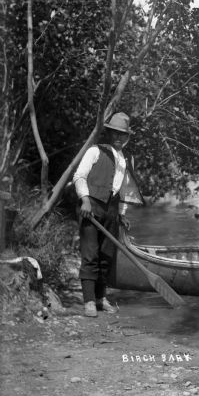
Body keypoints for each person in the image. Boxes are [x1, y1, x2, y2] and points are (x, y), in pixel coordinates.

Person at [73, 112, 143, 317]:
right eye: (115, 134)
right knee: (90, 254)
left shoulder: (126, 160)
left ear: (128, 137)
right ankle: (88, 302)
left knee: (106, 256)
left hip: (111, 210)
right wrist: (85, 199)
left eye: (123, 135)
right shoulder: (95, 151)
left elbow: (124, 190)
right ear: (109, 134)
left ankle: (100, 299)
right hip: (91, 207)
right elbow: (79, 176)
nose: (119, 138)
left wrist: (121, 214)